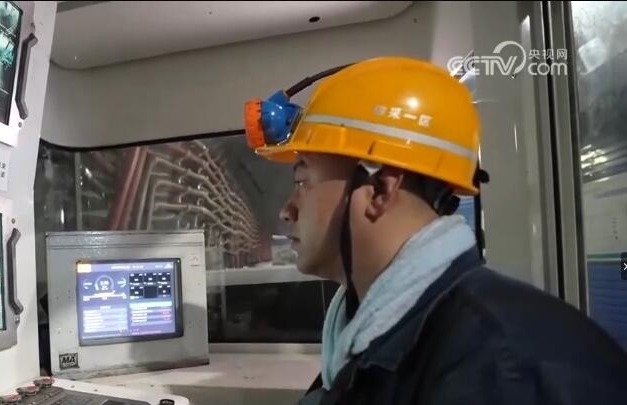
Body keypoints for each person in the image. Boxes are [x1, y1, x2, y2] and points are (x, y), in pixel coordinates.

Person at [242, 56, 627, 405]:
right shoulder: (385, 342)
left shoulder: (499, 371)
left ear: (379, 190)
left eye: (302, 181)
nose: (287, 210)